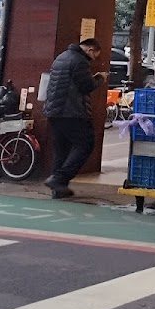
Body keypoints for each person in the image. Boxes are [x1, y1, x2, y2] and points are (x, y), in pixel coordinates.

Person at [43, 37, 106, 199]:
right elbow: (86, 86)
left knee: (61, 150)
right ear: (90, 50)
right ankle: (59, 179)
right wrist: (99, 78)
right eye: (95, 55)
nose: (94, 58)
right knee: (86, 143)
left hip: (53, 111)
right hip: (71, 112)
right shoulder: (79, 61)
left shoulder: (61, 57)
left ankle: (59, 189)